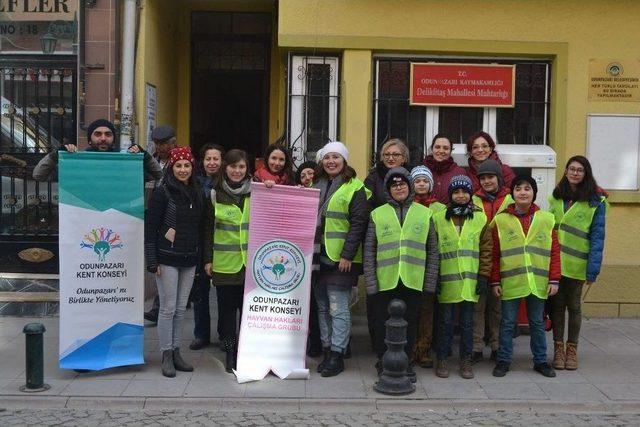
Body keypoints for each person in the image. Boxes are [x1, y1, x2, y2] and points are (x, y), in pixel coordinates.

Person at [363, 167, 439, 381]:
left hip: (413, 280)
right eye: (394, 185)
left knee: (410, 324)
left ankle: (406, 363)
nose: (399, 188)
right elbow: (369, 250)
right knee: (381, 323)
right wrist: (370, 283)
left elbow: (433, 250)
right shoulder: (377, 214)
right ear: (388, 190)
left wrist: (430, 283)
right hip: (384, 280)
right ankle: (383, 360)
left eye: (403, 184)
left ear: (410, 186)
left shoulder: (425, 214)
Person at [491, 175, 560, 378]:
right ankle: (503, 360)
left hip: (538, 283)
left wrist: (554, 279)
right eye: (518, 188)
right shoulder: (501, 220)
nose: (522, 192)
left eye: (527, 188)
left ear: (534, 193)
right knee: (507, 322)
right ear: (512, 193)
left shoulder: (547, 219)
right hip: (510, 282)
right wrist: (495, 280)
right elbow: (495, 254)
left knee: (537, 323)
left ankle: (540, 361)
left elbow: (555, 251)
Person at [145, 146, 203, 378]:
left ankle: (177, 351)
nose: (182, 169)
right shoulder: (163, 192)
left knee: (180, 309)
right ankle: (166, 354)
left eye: (186, 165)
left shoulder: (198, 192)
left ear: (192, 167)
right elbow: (151, 227)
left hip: (189, 259)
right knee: (168, 309)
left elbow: (200, 227)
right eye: (178, 165)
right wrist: (152, 260)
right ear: (171, 167)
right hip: (166, 259)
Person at [313, 141, 370, 377]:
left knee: (338, 308)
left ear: (344, 161)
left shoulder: (355, 187)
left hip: (341, 260)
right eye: (327, 157)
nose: (331, 161)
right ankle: (328, 348)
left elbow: (359, 223)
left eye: (336, 157)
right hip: (317, 257)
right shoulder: (317, 184)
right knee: (323, 306)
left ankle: (338, 353)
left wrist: (347, 255)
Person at [548, 156, 608, 371]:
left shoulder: (595, 201)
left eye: (579, 170)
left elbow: (598, 237)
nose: (575, 173)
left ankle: (571, 349)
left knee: (573, 306)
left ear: (586, 174)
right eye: (571, 169)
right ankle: (558, 349)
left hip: (578, 264)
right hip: (555, 264)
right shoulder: (555, 198)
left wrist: (593, 269)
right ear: (565, 172)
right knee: (556, 307)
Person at [433, 175, 492, 379]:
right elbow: (433, 249)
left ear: (470, 194)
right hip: (447, 282)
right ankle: (442, 358)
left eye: (464, 192)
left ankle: (466, 361)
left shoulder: (480, 218)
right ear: (450, 195)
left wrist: (483, 277)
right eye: (456, 192)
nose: (460, 195)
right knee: (445, 323)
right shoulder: (439, 218)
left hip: (470, 282)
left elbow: (486, 250)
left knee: (468, 324)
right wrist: (435, 277)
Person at [203, 149, 252, 373]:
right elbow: (207, 229)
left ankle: (246, 351)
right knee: (227, 311)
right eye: (233, 166)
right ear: (226, 167)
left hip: (250, 264)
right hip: (224, 264)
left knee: (247, 310)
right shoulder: (215, 192)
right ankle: (231, 353)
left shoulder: (257, 191)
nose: (237, 171)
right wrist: (208, 259)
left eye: (241, 167)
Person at [363, 138, 411, 349]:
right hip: (380, 244)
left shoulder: (411, 177)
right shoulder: (372, 179)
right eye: (386, 155)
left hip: (408, 251)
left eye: (395, 154)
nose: (390, 158)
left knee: (406, 305)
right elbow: (365, 210)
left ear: (404, 158)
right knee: (378, 303)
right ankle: (379, 348)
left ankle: (406, 350)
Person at [470, 159, 514, 363]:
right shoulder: (473, 200)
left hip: (505, 260)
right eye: (483, 178)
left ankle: (497, 345)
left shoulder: (511, 199)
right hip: (478, 260)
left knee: (498, 308)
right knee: (477, 307)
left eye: (491, 177)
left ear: (499, 178)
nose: (487, 181)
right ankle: (476, 346)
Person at [33, 118, 162, 182]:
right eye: (98, 134)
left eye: (108, 134)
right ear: (89, 139)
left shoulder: (125, 163)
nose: (103, 138)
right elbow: (39, 175)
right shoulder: (77, 163)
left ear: (113, 139)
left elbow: (159, 176)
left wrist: (144, 156)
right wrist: (56, 154)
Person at [189, 143, 225, 351]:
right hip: (199, 241)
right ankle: (201, 334)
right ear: (202, 161)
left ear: (222, 161)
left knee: (223, 292)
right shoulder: (194, 181)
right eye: (208, 159)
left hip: (223, 241)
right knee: (200, 291)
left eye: (216, 159)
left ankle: (224, 334)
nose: (212, 163)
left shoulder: (228, 181)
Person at [409, 165, 444, 369]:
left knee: (427, 311)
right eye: (417, 181)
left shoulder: (439, 208)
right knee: (411, 311)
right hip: (411, 265)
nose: (421, 184)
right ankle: (409, 347)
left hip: (431, 266)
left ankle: (423, 349)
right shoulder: (408, 205)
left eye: (424, 181)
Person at [144, 125, 179, 325]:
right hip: (152, 215)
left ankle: (158, 308)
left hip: (171, 218)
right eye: (157, 144)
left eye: (164, 144)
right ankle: (160, 305)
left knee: (165, 264)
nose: (160, 147)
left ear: (173, 142)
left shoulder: (179, 161)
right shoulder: (151, 161)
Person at [423, 134, 467, 204]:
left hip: (450, 213)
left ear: (450, 151)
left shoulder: (460, 173)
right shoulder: (422, 170)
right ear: (432, 149)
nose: (441, 151)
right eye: (437, 147)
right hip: (425, 213)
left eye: (445, 148)